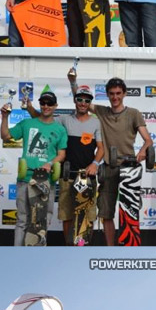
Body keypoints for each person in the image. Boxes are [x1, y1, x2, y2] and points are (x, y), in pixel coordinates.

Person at [68, 72, 152, 246]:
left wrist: (144, 150)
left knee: (128, 213)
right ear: (107, 94)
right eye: (112, 94)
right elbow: (80, 98)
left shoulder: (134, 114)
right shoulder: (102, 111)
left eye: (118, 93)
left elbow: (148, 140)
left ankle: (127, 248)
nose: (115, 97)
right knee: (106, 213)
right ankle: (110, 249)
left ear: (124, 94)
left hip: (128, 169)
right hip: (107, 168)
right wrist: (73, 82)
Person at [26, 80, 103, 245]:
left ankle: (83, 248)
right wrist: (30, 108)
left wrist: (95, 164)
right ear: (75, 100)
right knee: (67, 215)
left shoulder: (96, 122)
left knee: (88, 216)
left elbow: (101, 149)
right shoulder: (63, 120)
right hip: (67, 176)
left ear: (90, 103)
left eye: (87, 100)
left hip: (87, 177)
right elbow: (42, 119)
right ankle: (68, 248)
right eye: (80, 99)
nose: (83, 103)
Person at [0, 91, 67, 246]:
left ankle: (37, 259)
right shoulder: (27, 124)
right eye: (43, 103)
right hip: (26, 179)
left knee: (42, 222)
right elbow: (5, 136)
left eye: (49, 103)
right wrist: (4, 117)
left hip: (46, 181)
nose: (46, 106)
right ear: (39, 104)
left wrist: (49, 164)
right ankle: (17, 259)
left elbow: (61, 155)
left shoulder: (60, 129)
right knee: (23, 220)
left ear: (55, 106)